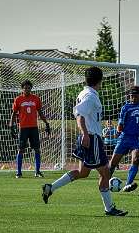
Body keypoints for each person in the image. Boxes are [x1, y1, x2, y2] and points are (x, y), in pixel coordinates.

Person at [41, 66, 128, 216]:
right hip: (92, 138)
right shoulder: (90, 96)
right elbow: (79, 115)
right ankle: (109, 209)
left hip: (89, 137)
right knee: (105, 173)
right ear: (99, 80)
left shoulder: (85, 93)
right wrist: (86, 134)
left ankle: (51, 188)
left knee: (83, 173)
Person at [9, 80, 51, 178]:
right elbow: (14, 114)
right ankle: (18, 172)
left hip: (34, 128)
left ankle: (37, 171)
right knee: (21, 150)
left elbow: (40, 112)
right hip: (23, 128)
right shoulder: (18, 99)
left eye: (29, 88)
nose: (27, 89)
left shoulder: (36, 99)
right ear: (22, 89)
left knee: (37, 149)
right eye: (25, 88)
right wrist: (11, 126)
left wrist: (47, 124)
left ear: (31, 88)